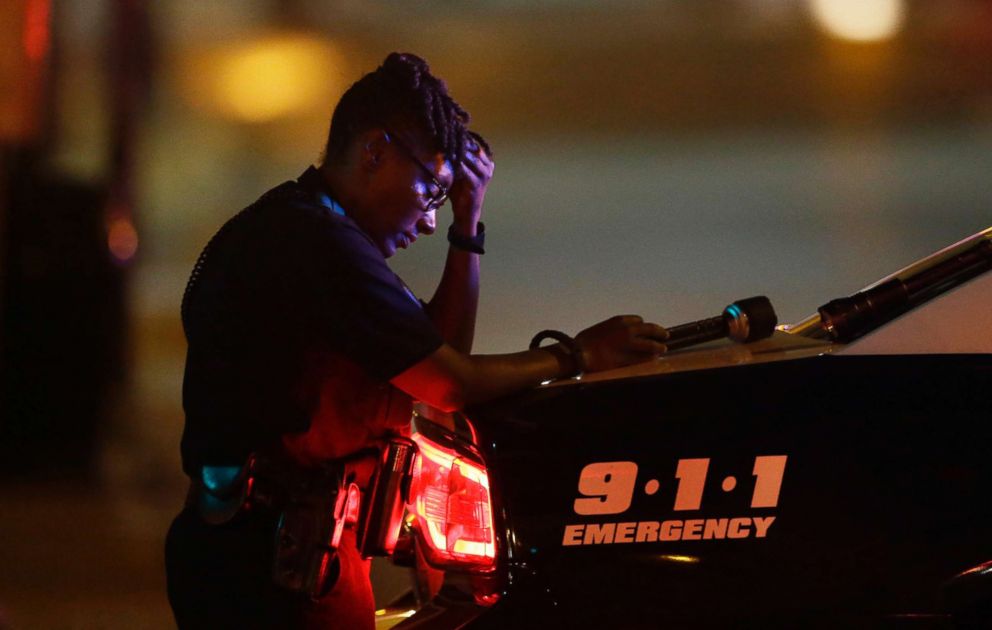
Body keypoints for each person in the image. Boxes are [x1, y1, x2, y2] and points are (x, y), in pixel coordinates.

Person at [165, 52, 669, 629]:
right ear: (375, 152)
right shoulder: (313, 245)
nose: (430, 220)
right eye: (431, 190)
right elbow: (450, 383)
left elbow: (433, 351)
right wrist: (577, 354)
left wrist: (467, 224)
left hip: (270, 557)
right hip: (268, 575)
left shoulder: (310, 230)